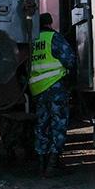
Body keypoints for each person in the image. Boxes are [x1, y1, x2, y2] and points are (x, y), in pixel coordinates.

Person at [29, 12, 76, 176]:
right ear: (49, 24)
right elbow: (69, 60)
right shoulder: (54, 38)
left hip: (38, 89)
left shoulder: (34, 41)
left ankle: (41, 163)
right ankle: (53, 164)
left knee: (42, 125)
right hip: (55, 88)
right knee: (58, 124)